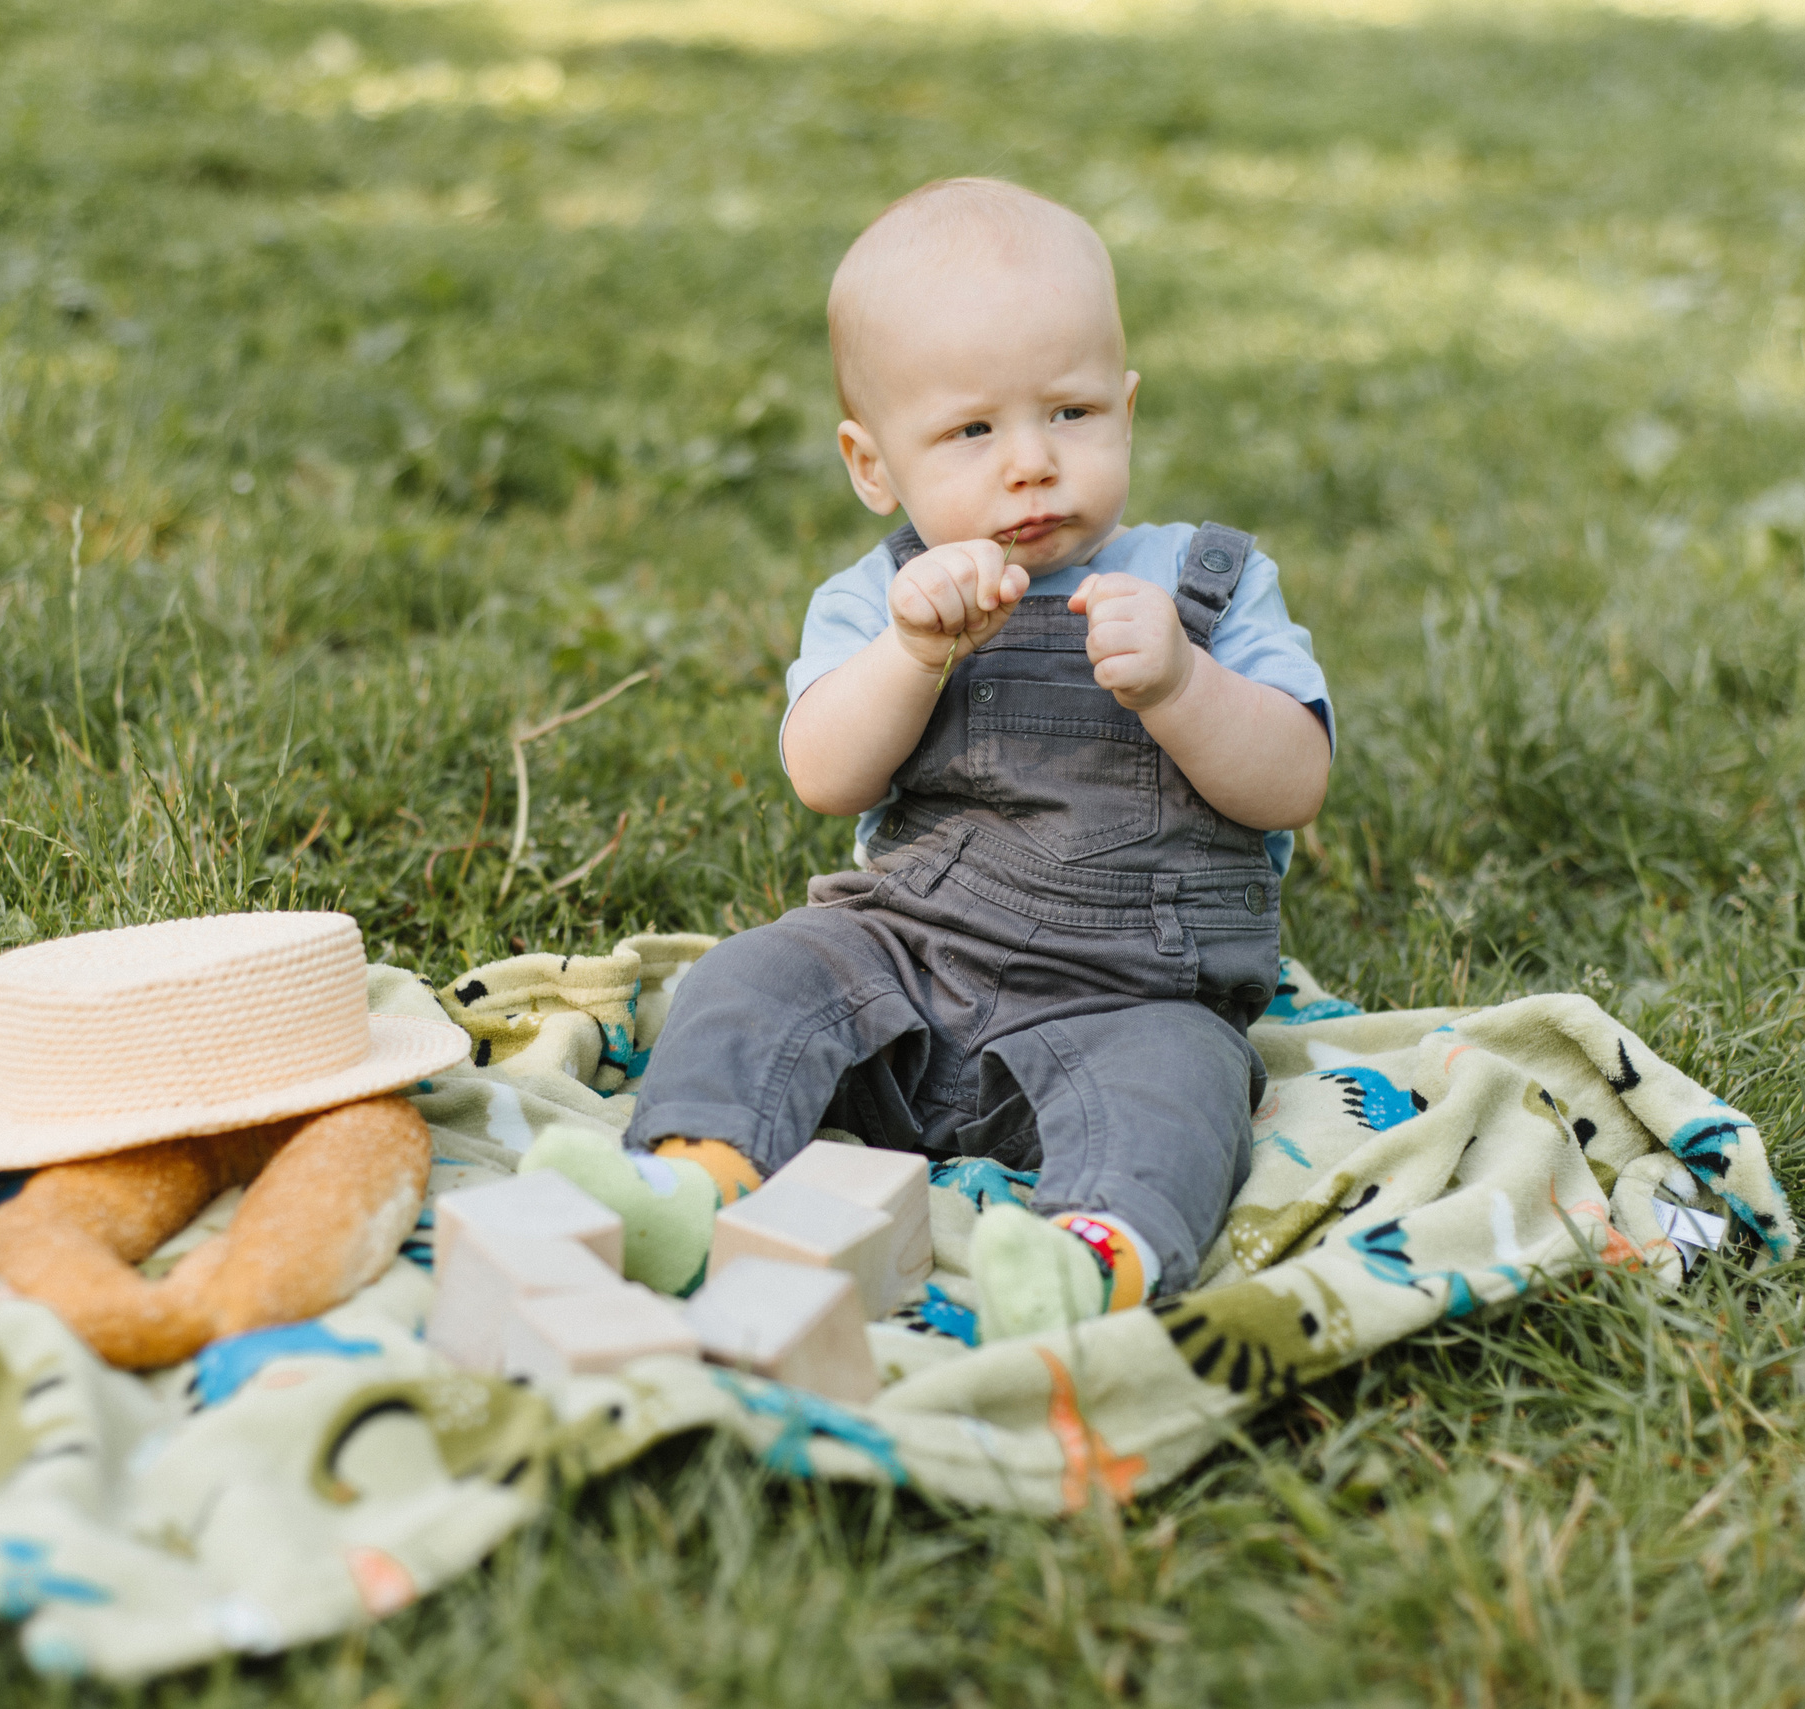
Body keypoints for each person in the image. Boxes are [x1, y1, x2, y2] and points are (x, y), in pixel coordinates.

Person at [569, 177, 1333, 1341]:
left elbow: (1295, 779)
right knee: (754, 975)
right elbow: (825, 775)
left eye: (1070, 412)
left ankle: (1097, 1255)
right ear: (871, 465)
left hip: (1131, 995)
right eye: (973, 430)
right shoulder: (878, 600)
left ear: (1126, 410)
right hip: (904, 969)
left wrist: (1185, 686)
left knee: (1188, 1083)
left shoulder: (1205, 586)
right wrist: (910, 655)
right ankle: (695, 1173)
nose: (1030, 462)